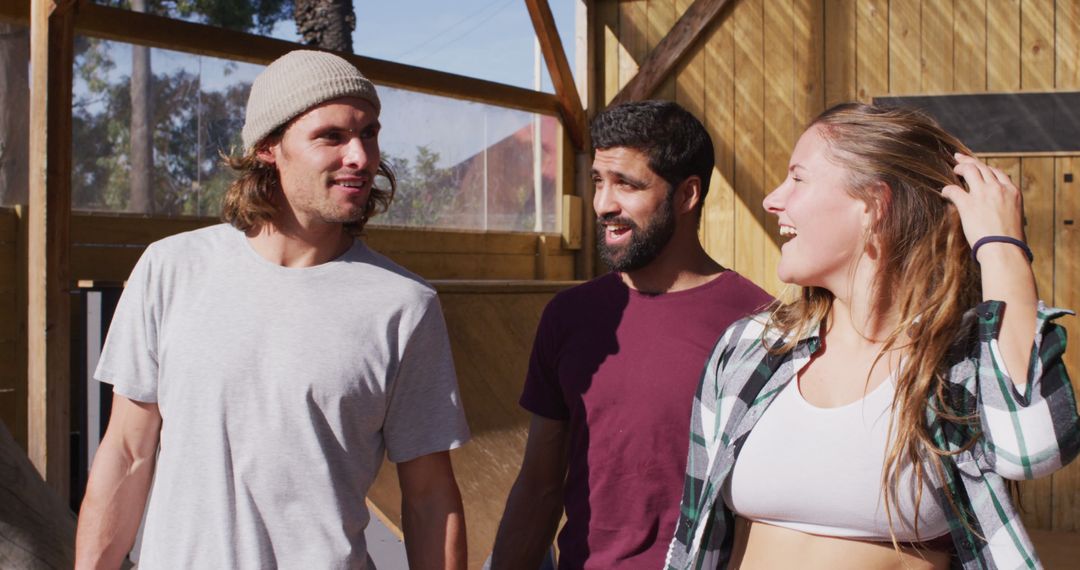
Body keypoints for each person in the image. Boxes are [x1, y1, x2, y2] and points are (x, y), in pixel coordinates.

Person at [74, 50, 470, 569]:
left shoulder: (404, 306)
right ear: (268, 147)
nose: (361, 157)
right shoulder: (171, 269)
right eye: (332, 136)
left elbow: (429, 497)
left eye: (369, 133)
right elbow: (127, 453)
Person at [666, 102, 1079, 569]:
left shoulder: (960, 359)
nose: (772, 199)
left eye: (798, 178)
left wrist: (1002, 248)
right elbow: (691, 537)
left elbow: (1034, 448)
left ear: (874, 205)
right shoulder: (751, 347)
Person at [490, 100, 773, 569]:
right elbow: (538, 486)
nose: (604, 204)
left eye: (627, 184)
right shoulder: (569, 316)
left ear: (687, 195)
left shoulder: (759, 326)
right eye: (599, 181)